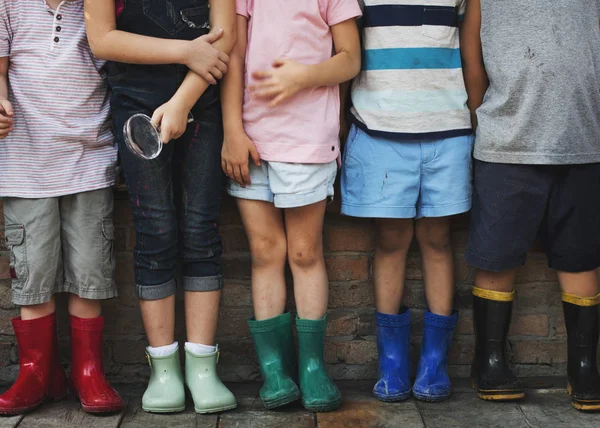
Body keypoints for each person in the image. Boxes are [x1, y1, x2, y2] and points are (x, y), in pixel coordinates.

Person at [84, 0, 237, 414]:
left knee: (201, 229)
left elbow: (226, 35)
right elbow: (101, 39)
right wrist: (186, 51)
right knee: (155, 230)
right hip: (135, 102)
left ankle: (203, 366)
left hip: (201, 101)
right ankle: (163, 369)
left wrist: (183, 101)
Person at [221, 0, 362, 412]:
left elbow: (351, 58)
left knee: (304, 252)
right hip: (252, 140)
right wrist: (232, 128)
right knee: (265, 252)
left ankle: (313, 368)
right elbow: (235, 52)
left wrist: (306, 76)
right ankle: (274, 370)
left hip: (307, 140)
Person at [461, 0, 600, 411]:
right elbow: (473, 61)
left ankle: (584, 364)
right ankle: (489, 361)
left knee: (582, 258)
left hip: (583, 145)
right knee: (496, 256)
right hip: (506, 147)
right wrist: (482, 118)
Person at [340, 0, 472, 402]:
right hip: (379, 128)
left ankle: (435, 362)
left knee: (438, 241)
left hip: (447, 129)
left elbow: (470, 52)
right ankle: (392, 361)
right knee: (391, 242)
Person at [0, 0, 122, 414]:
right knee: (33, 273)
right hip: (26, 163)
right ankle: (37, 372)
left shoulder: (99, 6)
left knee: (89, 271)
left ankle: (87, 371)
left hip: (89, 159)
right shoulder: (9, 5)